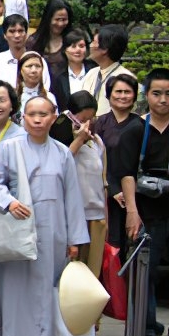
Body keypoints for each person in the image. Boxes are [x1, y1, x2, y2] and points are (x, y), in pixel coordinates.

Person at [0, 95, 89, 336]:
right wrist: (9, 202)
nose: (36, 120)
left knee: (51, 292)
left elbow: (72, 197)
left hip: (54, 231)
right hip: (17, 229)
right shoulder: (8, 148)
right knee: (16, 291)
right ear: (22, 118)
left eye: (43, 114)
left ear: (53, 117)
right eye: (31, 114)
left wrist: (75, 239)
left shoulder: (62, 153)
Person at [115, 68, 169, 336]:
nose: (163, 99)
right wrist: (132, 212)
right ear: (146, 95)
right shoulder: (135, 129)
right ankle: (146, 332)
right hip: (147, 213)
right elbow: (126, 174)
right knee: (145, 276)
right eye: (157, 93)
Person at [94, 73, 142, 251]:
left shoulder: (140, 125)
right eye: (118, 91)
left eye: (127, 92)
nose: (123, 96)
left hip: (133, 194)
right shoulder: (99, 123)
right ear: (109, 95)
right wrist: (113, 189)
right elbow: (94, 160)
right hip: (105, 192)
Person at [62, 90, 108, 278]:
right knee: (71, 273)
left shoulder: (97, 141)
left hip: (97, 215)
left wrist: (106, 216)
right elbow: (61, 163)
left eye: (91, 119)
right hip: (72, 215)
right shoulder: (61, 139)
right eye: (82, 120)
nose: (87, 124)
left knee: (92, 273)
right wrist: (79, 139)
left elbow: (103, 180)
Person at [83, 25, 136, 115]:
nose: (90, 45)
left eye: (94, 42)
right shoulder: (91, 73)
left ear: (104, 49)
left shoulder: (127, 78)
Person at [50, 28, 91, 114]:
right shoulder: (57, 75)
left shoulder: (94, 70)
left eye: (81, 46)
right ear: (65, 50)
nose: (78, 50)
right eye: (73, 46)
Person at [28, 0, 73, 72]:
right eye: (57, 19)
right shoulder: (33, 41)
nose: (60, 24)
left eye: (64, 20)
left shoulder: (72, 40)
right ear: (48, 19)